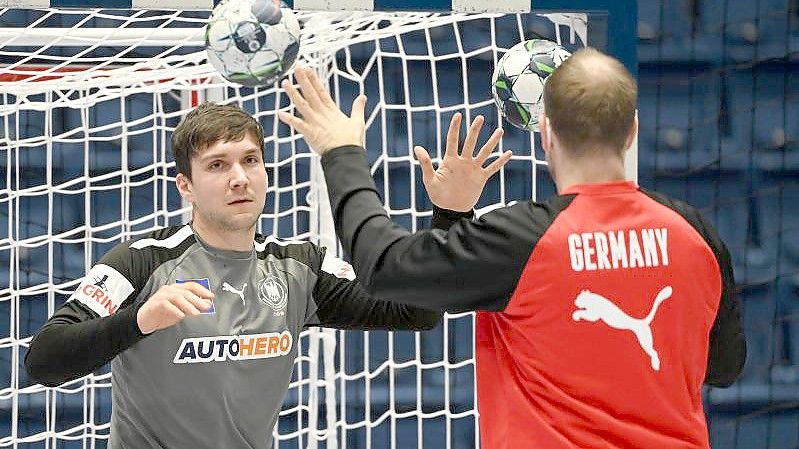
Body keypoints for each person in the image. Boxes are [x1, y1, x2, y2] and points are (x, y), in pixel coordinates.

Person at [278, 49, 746, 449]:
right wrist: (452, 216)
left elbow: (382, 267)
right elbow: (724, 368)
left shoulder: (522, 241)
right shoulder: (695, 231)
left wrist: (341, 152)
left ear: (545, 132)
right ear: (632, 131)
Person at [24, 103, 445, 449]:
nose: (239, 178)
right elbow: (44, 360)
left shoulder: (299, 267)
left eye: (250, 160)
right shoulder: (141, 262)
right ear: (185, 186)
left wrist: (450, 212)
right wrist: (139, 321)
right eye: (218, 165)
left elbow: (418, 313)